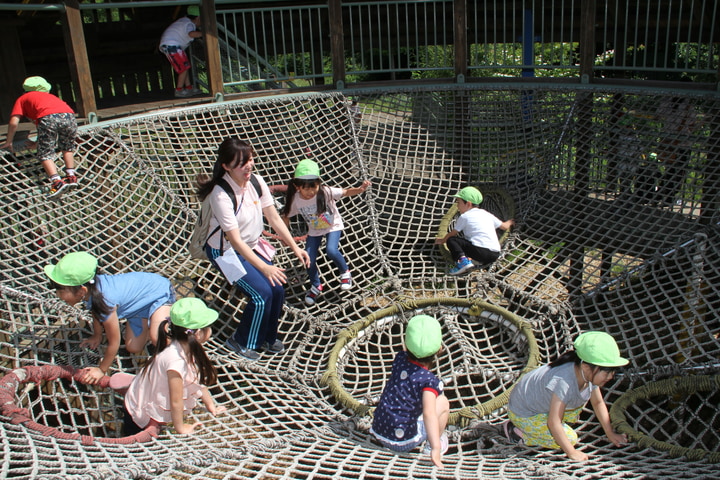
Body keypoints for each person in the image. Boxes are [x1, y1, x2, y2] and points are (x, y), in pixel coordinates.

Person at [196, 137, 310, 361]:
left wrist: (296, 248)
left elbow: (274, 218)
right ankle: (241, 341)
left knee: (277, 288)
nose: (248, 165)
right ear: (227, 166)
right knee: (260, 294)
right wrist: (265, 269)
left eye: (250, 159)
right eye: (241, 163)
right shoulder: (221, 194)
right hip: (225, 253)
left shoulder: (256, 181)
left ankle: (267, 337)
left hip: (250, 246)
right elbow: (235, 241)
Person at [44, 251, 176, 384]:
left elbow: (114, 342)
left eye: (61, 290)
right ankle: (151, 320)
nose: (58, 295)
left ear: (81, 291)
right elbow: (95, 311)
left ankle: (185, 348)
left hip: (159, 293)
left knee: (157, 338)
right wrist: (97, 335)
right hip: (137, 306)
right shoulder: (92, 291)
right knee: (133, 347)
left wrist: (101, 370)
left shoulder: (106, 299)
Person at [504, 331, 629, 462]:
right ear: (586, 367)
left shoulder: (587, 374)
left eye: (613, 371)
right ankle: (517, 433)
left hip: (538, 404)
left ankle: (531, 428)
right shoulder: (565, 381)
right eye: (607, 372)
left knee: (568, 417)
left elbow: (598, 403)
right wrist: (571, 452)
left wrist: (610, 432)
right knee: (570, 439)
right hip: (524, 412)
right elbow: (553, 422)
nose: (610, 377)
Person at [122, 297, 226, 436]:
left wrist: (211, 405)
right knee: (135, 443)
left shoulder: (185, 347)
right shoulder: (176, 361)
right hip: (139, 411)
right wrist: (181, 428)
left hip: (147, 398)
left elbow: (197, 380)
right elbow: (176, 401)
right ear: (199, 333)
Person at [281, 158, 370, 305]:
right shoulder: (296, 200)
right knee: (308, 258)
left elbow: (346, 192)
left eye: (313, 187)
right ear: (298, 187)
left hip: (332, 226)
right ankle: (316, 285)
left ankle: (345, 272)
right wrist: (285, 234)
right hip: (315, 230)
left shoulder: (326, 191)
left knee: (331, 250)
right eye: (306, 188)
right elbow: (286, 216)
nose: (310, 192)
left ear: (319, 184)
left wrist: (360, 189)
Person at [371, 315, 450, 469]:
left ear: (406, 346)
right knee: (443, 402)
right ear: (440, 350)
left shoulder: (399, 359)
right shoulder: (429, 381)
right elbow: (429, 414)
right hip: (403, 441)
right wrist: (435, 448)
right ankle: (433, 445)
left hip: (378, 430)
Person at [1, 76, 79, 198]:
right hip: (70, 116)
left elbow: (14, 122)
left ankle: (57, 182)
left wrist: (9, 140)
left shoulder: (23, 99)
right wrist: (37, 143)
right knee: (67, 147)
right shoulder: (51, 97)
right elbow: (46, 128)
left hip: (48, 119)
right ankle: (71, 176)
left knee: (45, 154)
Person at [434, 186, 514, 275]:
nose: (457, 206)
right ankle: (474, 261)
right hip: (494, 254)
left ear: (468, 204)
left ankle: (463, 263)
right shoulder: (486, 214)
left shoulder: (464, 216)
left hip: (480, 252)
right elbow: (504, 226)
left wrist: (442, 240)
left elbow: (452, 233)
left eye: (458, 202)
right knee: (470, 243)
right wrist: (510, 222)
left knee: (452, 240)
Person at [159, 6, 203, 98]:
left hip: (171, 45)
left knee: (185, 67)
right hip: (171, 45)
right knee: (184, 67)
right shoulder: (190, 24)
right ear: (198, 18)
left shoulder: (184, 21)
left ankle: (189, 88)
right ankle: (179, 90)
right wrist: (204, 34)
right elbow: (191, 34)